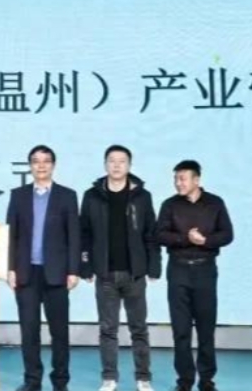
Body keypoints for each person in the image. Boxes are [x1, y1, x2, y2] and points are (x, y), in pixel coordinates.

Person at [80, 145, 161, 391]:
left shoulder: (142, 196)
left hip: (134, 274)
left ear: (129, 165)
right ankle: (109, 378)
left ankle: (143, 378)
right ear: (105, 164)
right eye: (112, 161)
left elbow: (150, 233)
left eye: (122, 161)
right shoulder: (92, 196)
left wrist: (154, 266)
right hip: (105, 274)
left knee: (139, 329)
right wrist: (85, 266)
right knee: (108, 329)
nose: (116, 165)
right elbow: (84, 234)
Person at [6, 145, 80, 391]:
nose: (41, 165)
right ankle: (32, 380)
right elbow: (11, 235)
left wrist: (73, 270)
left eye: (46, 161)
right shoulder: (18, 195)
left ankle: (60, 381)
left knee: (59, 332)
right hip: (26, 273)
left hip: (57, 273)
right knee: (29, 331)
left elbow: (74, 236)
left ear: (53, 165)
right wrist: (10, 268)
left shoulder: (67, 196)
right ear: (30, 166)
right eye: (36, 161)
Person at [155, 160, 233, 391]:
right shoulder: (169, 205)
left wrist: (205, 241)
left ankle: (206, 380)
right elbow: (159, 235)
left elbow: (227, 234)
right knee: (181, 330)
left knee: (205, 329)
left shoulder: (215, 203)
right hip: (178, 270)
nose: (178, 183)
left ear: (196, 180)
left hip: (205, 270)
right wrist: (185, 239)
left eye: (182, 178)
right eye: (175, 179)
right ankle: (184, 381)